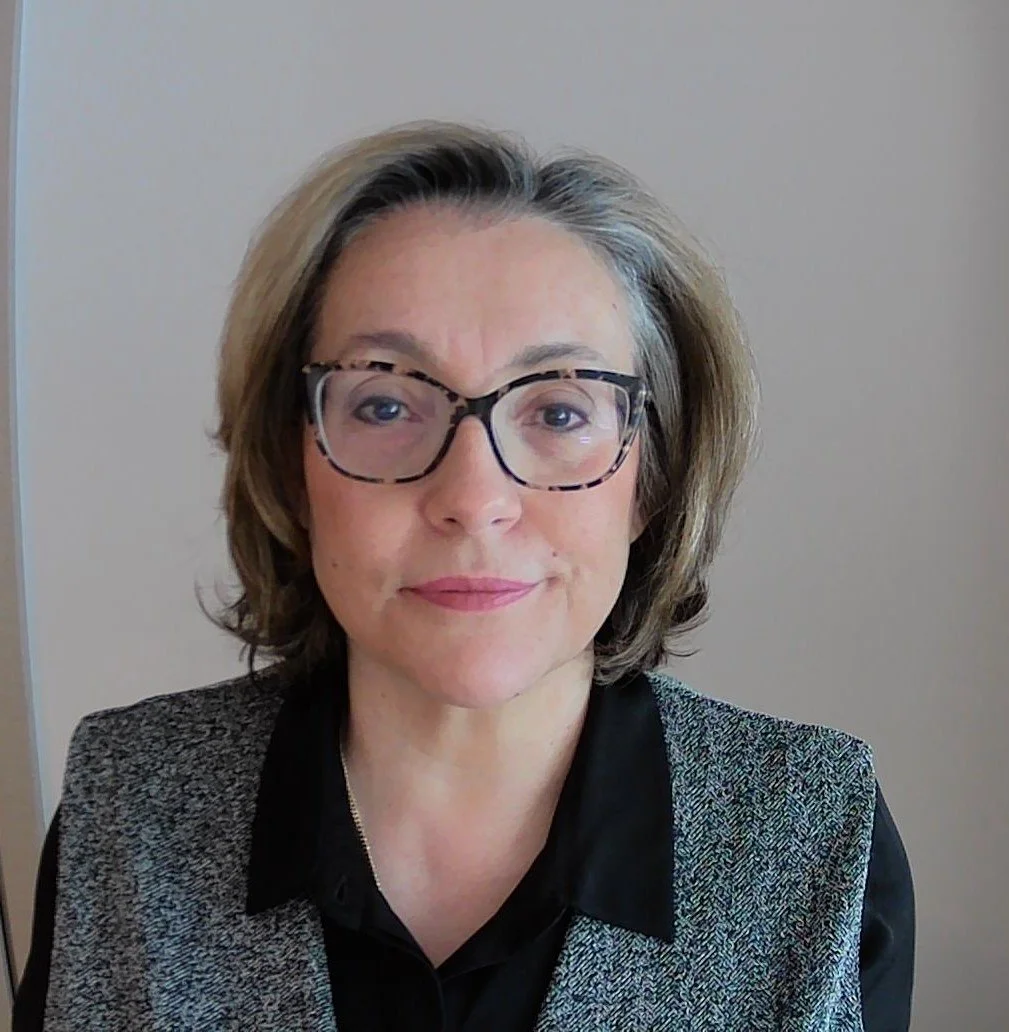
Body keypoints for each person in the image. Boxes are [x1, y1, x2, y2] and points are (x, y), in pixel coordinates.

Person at [13, 120, 914, 1030]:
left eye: (559, 410)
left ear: (653, 476)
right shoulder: (125, 804)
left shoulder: (811, 829)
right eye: (386, 402)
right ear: (292, 464)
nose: (473, 497)